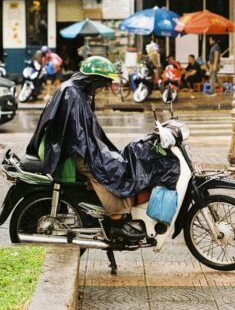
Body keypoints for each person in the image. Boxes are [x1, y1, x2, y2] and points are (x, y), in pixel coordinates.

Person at [26, 57, 178, 241]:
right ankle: (115, 221)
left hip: (73, 146)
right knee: (111, 170)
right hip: (71, 151)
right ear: (93, 80)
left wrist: (103, 150)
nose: (103, 89)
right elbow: (79, 137)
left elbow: (84, 133)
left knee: (114, 159)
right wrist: (101, 155)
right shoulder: (72, 94)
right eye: (103, 84)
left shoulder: (75, 90)